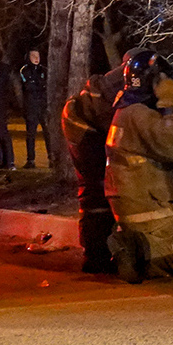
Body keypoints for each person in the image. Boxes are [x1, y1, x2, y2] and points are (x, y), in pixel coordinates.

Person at [104, 51, 173, 283]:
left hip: (133, 199)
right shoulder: (138, 114)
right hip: (147, 201)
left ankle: (133, 248)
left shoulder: (125, 109)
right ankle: (139, 255)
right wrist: (170, 103)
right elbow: (172, 148)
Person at [61, 60, 125, 274]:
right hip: (82, 127)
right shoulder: (125, 86)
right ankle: (95, 255)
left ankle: (97, 252)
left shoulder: (121, 79)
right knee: (96, 187)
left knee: (99, 186)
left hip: (83, 122)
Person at [18, 49, 51, 168]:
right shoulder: (24, 70)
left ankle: (51, 158)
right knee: (31, 134)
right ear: (28, 57)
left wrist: (39, 86)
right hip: (31, 107)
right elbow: (29, 86)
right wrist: (39, 85)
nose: (36, 58)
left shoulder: (44, 70)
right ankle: (30, 160)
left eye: (38, 55)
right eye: (33, 56)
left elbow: (45, 84)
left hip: (43, 106)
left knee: (48, 133)